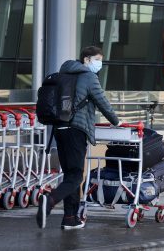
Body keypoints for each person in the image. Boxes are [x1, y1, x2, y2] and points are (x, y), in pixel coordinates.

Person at [36, 46, 120, 230]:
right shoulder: (89, 77)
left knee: (70, 174)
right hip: (76, 130)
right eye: (97, 60)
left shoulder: (63, 73)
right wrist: (116, 121)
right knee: (75, 175)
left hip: (59, 128)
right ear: (86, 59)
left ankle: (70, 218)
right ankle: (49, 200)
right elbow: (102, 101)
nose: (100, 64)